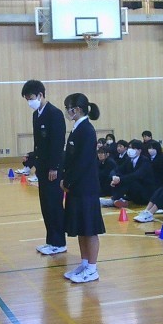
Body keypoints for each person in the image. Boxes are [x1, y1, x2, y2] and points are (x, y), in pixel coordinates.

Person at [60, 93, 105, 283]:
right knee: (80, 227)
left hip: (86, 188)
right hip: (76, 188)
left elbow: (83, 162)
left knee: (89, 229)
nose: (67, 111)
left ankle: (92, 269)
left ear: (77, 109)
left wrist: (68, 182)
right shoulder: (77, 128)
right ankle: (85, 264)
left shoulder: (87, 130)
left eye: (68, 108)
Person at [21, 79, 67, 256]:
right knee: (46, 205)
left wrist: (54, 167)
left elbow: (57, 142)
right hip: (42, 168)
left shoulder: (55, 113)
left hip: (53, 169)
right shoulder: (36, 115)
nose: (29, 102)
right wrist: (32, 159)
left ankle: (59, 242)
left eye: (31, 98)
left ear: (40, 95)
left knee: (54, 205)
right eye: (27, 99)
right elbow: (40, 144)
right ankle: (51, 240)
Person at [101, 139, 157, 208]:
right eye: (130, 147)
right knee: (118, 178)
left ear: (139, 150)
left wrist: (119, 179)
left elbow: (136, 175)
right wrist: (114, 177)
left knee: (129, 180)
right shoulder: (129, 159)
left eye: (133, 148)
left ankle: (114, 200)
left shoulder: (145, 161)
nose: (130, 150)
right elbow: (117, 170)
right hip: (134, 191)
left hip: (145, 192)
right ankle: (117, 199)